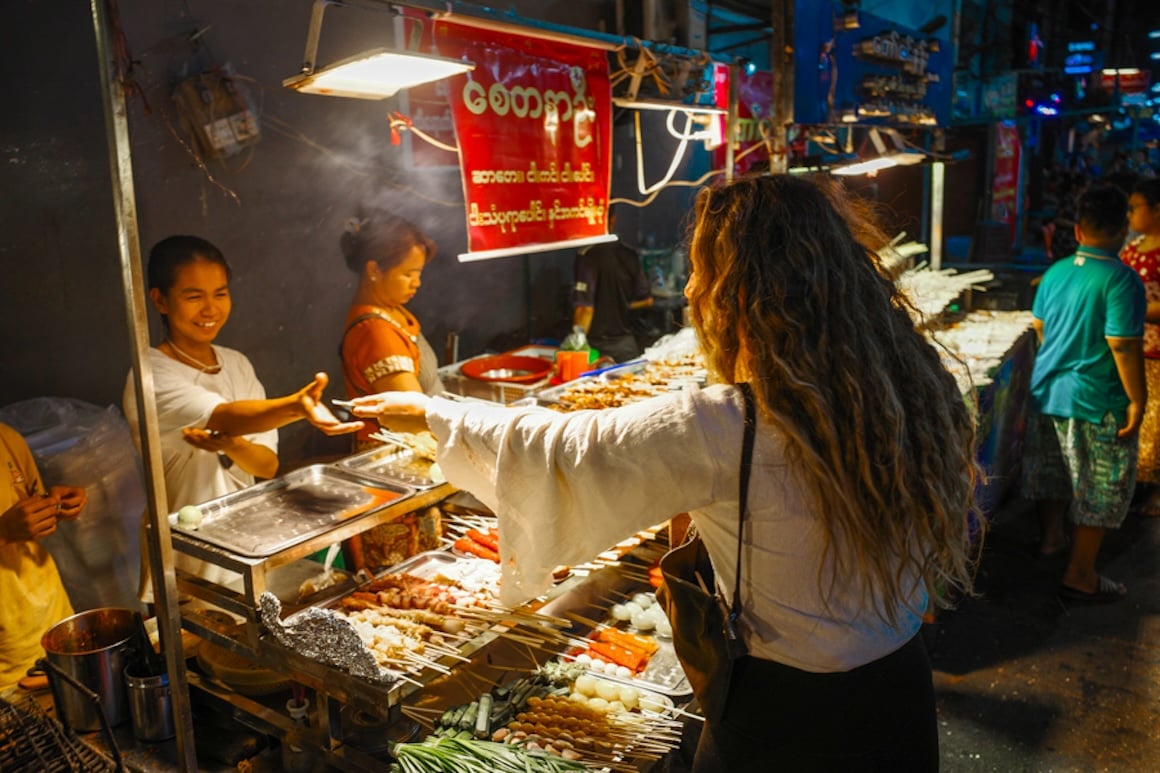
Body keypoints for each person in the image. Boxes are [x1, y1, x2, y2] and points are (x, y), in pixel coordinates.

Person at [351, 173, 981, 771]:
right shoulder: (908, 390)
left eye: (702, 274)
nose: (687, 293)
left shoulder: (726, 426)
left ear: (745, 295)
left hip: (785, 715)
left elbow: (566, 447)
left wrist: (436, 416)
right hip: (896, 689)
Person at [123, 235, 362, 593]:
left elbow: (265, 466)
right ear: (160, 300)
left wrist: (231, 445)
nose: (210, 309)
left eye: (220, 293)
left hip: (241, 555)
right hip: (185, 570)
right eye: (193, 296)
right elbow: (224, 415)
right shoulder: (150, 373)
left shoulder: (236, 364)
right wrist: (295, 407)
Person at [1022, 184, 1146, 601]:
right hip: (1097, 399)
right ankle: (1080, 572)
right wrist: (1138, 399)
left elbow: (1039, 327)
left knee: (1054, 473)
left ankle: (1051, 540)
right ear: (1122, 230)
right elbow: (1123, 343)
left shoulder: (1055, 272)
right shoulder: (1122, 279)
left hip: (1048, 391)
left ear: (1078, 231)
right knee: (1099, 487)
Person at [338, 214, 443, 450]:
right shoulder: (375, 333)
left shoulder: (393, 310)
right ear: (374, 270)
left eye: (419, 273)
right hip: (397, 453)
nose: (417, 283)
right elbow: (414, 418)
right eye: (408, 274)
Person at [0, 423, 87, 690]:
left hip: (50, 622)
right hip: (6, 660)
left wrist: (52, 507)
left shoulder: (7, 438)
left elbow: (27, 519)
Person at [1121, 179, 1160, 514]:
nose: (1130, 214)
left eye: (1135, 207)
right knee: (1137, 419)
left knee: (1155, 424)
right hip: (1130, 348)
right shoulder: (1132, 248)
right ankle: (1136, 486)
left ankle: (1153, 491)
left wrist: (1132, 309)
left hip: (1156, 353)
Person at [572, 208, 654, 363]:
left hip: (597, 350)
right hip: (627, 348)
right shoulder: (629, 254)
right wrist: (622, 304)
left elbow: (585, 309)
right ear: (613, 219)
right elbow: (647, 300)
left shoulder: (587, 256)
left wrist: (576, 344)